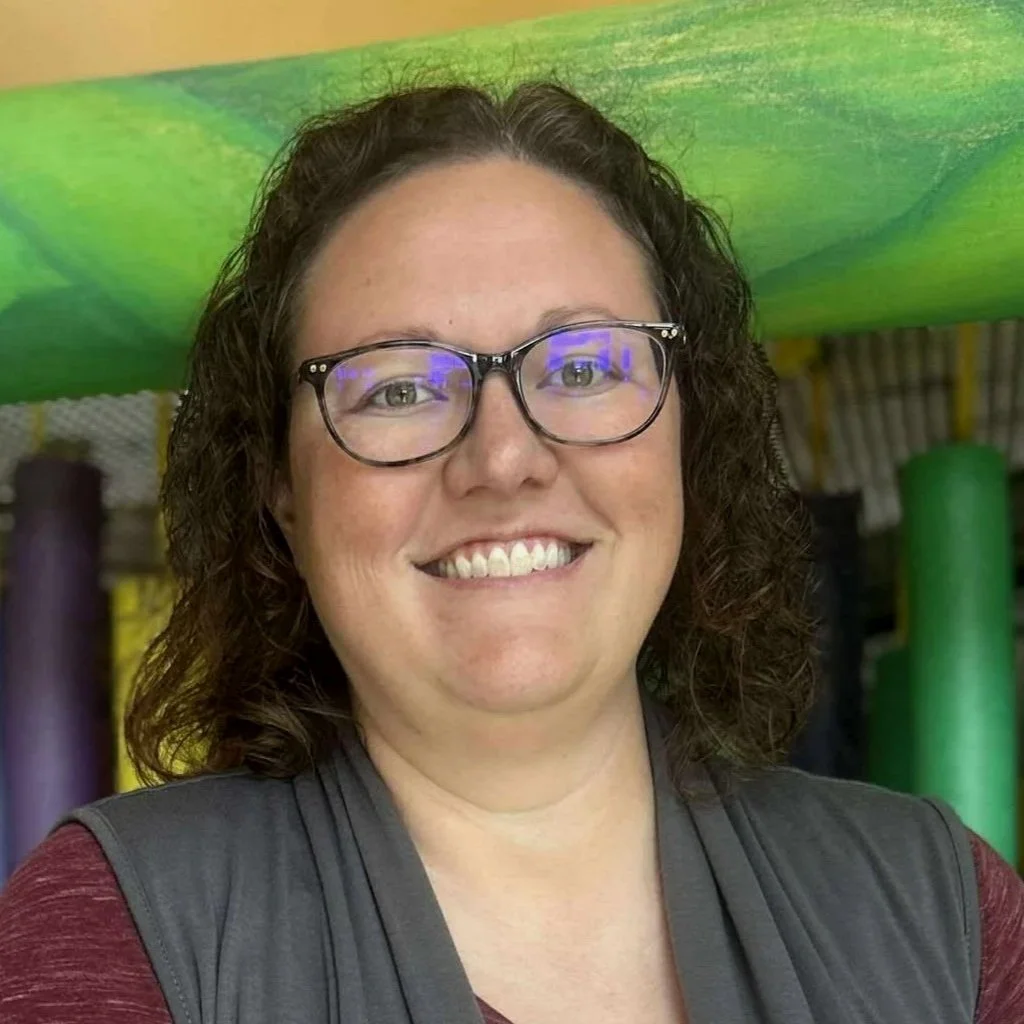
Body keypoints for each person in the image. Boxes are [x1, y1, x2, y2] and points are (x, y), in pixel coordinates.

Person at [1, 80, 1021, 1024]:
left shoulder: (944, 911)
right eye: (396, 386)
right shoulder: (122, 928)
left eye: (583, 364)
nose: (502, 456)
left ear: (687, 431)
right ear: (279, 484)